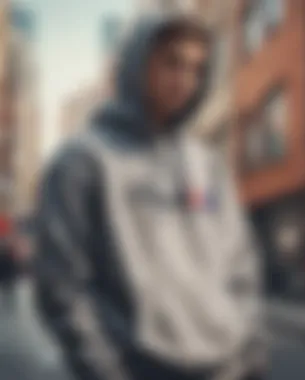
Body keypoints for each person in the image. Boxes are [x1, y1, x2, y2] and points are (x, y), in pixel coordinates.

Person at [34, 14, 269, 380]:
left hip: (227, 368)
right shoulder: (81, 161)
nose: (185, 79)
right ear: (137, 63)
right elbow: (61, 288)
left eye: (196, 68)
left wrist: (249, 356)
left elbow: (241, 267)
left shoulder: (207, 164)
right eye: (171, 62)